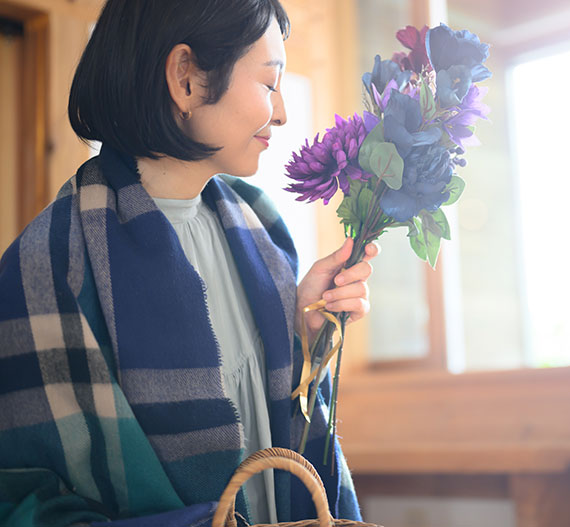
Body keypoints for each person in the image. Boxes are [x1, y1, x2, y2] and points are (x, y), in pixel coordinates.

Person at [0, 1, 376, 525]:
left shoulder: (262, 226)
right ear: (187, 79)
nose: (283, 111)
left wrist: (302, 335)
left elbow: (282, 441)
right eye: (270, 83)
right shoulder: (51, 261)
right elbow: (22, 496)